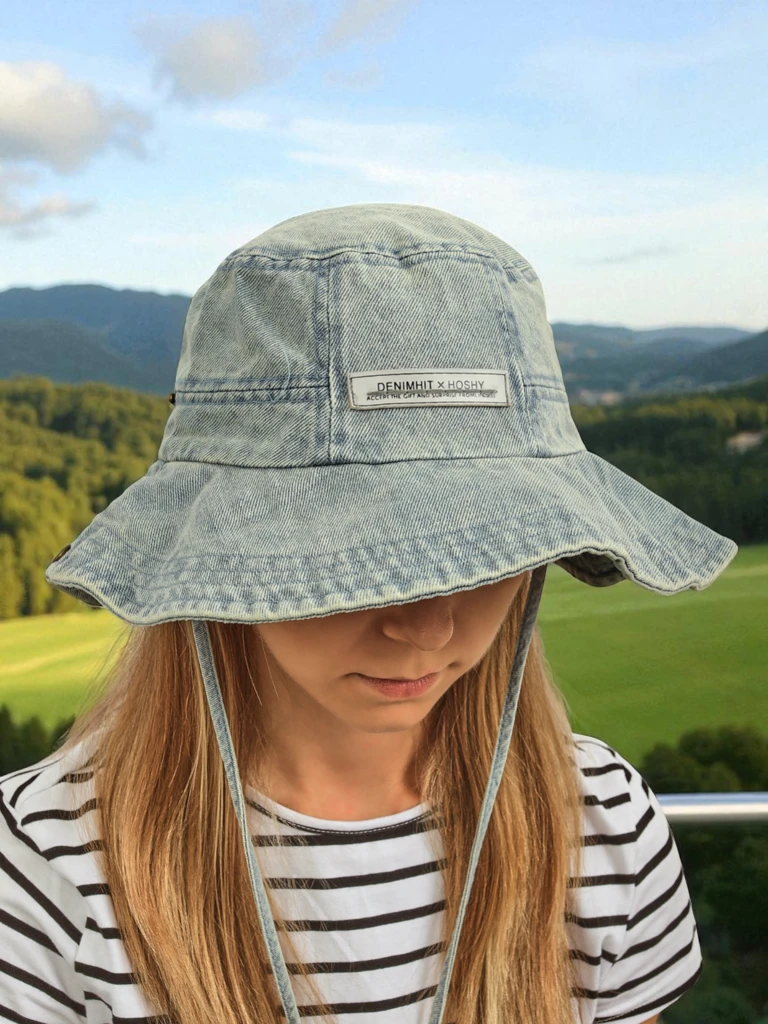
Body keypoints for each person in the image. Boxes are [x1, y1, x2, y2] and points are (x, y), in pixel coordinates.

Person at [0, 204, 737, 1024]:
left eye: (488, 550)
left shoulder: (601, 823)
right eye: (353, 556)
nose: (427, 628)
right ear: (221, 553)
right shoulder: (44, 865)